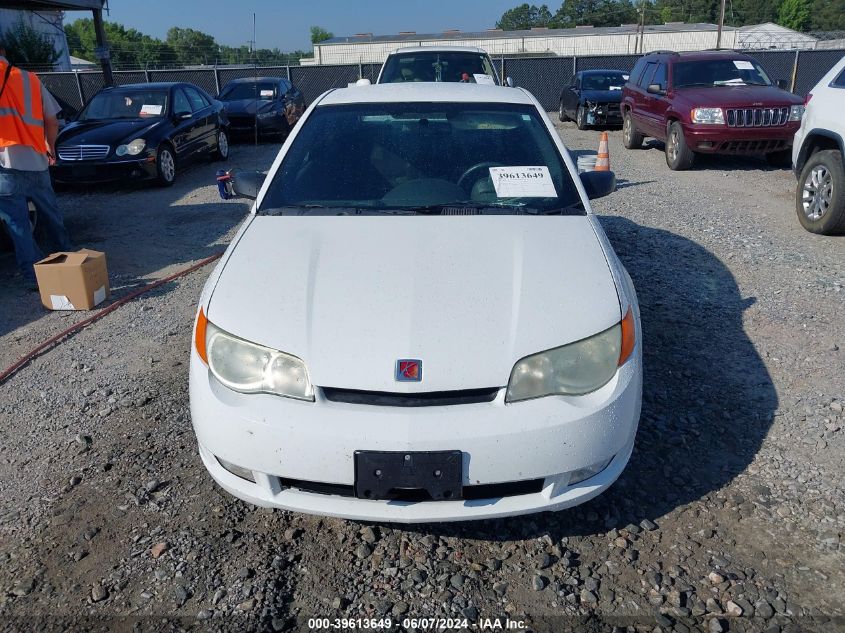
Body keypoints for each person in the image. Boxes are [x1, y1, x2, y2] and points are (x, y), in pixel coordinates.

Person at [0, 41, 73, 290]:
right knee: (50, 213)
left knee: (17, 223)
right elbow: (51, 121)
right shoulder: (29, 79)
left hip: (4, 164)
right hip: (36, 159)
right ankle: (69, 259)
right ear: (4, 52)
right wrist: (50, 147)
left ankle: (34, 277)